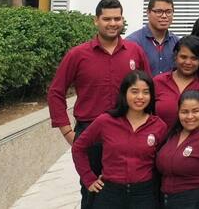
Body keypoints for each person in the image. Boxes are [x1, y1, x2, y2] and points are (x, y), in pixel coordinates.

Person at [49, 0, 151, 207]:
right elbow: (56, 92)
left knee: (129, 190)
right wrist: (68, 132)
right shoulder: (77, 55)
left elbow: (149, 90)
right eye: (107, 19)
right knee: (92, 190)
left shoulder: (135, 52)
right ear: (96, 21)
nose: (113, 23)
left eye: (117, 18)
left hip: (128, 130)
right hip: (91, 133)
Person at [71, 70, 167, 209]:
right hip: (110, 194)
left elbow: (163, 162)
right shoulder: (106, 121)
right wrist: (88, 178)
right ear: (124, 93)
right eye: (134, 91)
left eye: (146, 92)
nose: (140, 97)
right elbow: (78, 147)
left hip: (144, 194)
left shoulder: (159, 126)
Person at [157, 90, 199, 209]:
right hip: (165, 200)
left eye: (195, 111)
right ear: (178, 112)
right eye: (184, 112)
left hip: (193, 200)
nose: (190, 116)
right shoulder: (171, 135)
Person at [154, 36, 199, 125]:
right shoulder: (158, 82)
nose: (188, 62)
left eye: (194, 58)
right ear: (175, 56)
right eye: (183, 57)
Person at [128, 0, 180, 77]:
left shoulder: (177, 43)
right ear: (148, 13)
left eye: (168, 12)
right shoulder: (133, 42)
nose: (164, 16)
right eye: (159, 11)